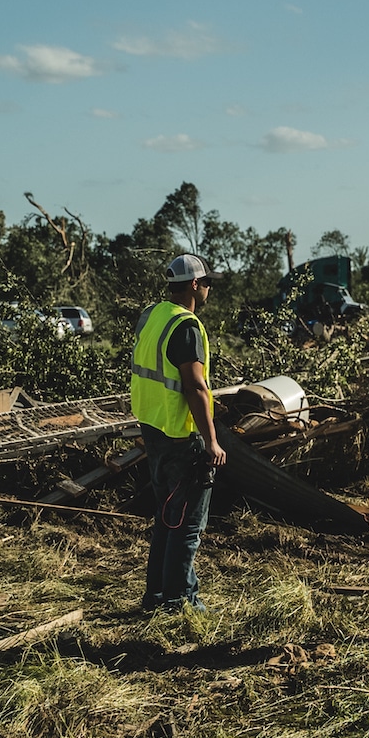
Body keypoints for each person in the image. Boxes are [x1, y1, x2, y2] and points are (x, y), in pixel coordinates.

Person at [129, 253, 228, 612]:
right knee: (187, 524)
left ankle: (155, 596)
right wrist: (212, 441)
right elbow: (195, 387)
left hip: (153, 428)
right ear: (194, 285)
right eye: (207, 283)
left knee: (167, 519)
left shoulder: (152, 316)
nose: (209, 289)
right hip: (180, 436)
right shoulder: (186, 327)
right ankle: (180, 600)